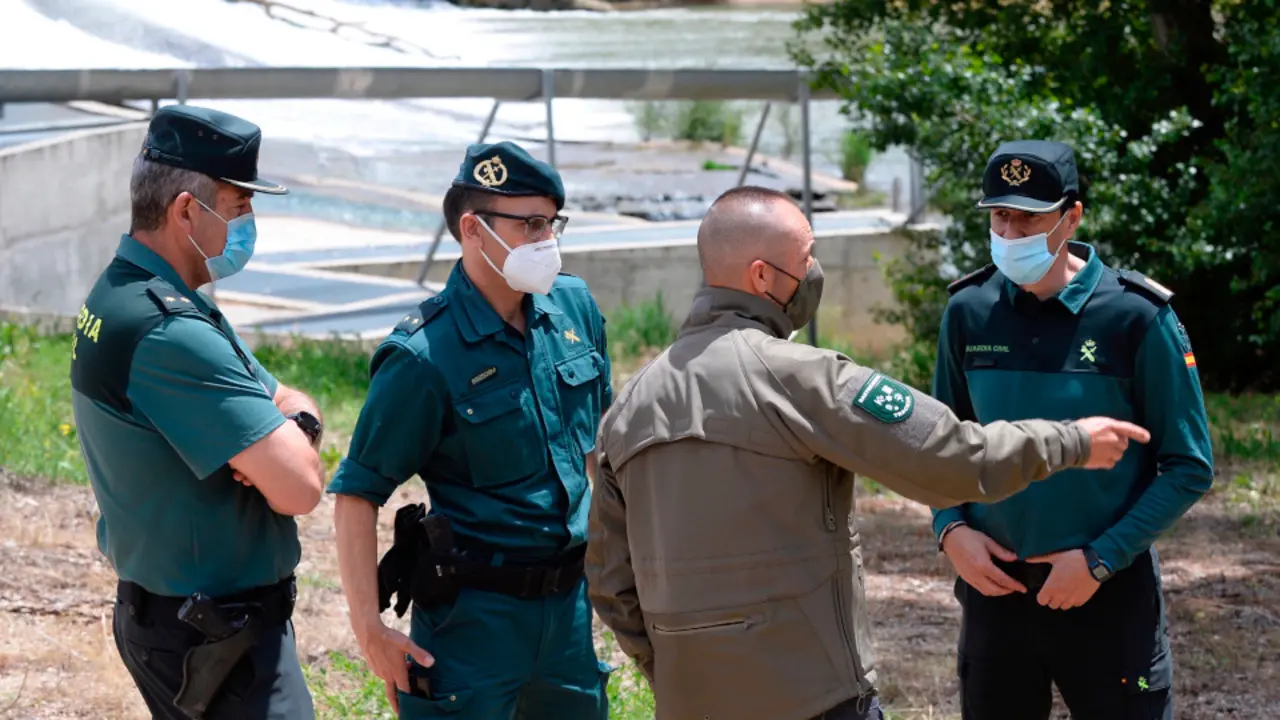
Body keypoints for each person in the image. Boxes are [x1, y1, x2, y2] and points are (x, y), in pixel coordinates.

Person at [584, 184, 1153, 720]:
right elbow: (953, 459)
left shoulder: (630, 406)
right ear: (762, 276)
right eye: (806, 258)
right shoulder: (801, 379)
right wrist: (1071, 441)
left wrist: (671, 668)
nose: (813, 271)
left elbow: (609, 580)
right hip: (816, 696)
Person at [928, 139, 1214, 720]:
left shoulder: (1136, 315)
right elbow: (939, 446)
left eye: (1029, 218)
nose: (1010, 233)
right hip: (995, 592)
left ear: (1072, 216)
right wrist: (949, 528)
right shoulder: (968, 311)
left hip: (1107, 593)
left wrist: (1100, 559)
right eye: (999, 216)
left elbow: (1188, 465)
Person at [329, 141, 615, 720]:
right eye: (530, 224)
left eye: (552, 223)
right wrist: (369, 629)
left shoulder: (573, 308)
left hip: (568, 611)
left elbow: (599, 448)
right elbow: (358, 493)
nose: (546, 240)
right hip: (473, 621)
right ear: (473, 229)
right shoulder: (423, 355)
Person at [69, 104, 326, 719]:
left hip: (190, 623)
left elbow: (286, 397)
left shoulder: (137, 293)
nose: (248, 225)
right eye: (239, 206)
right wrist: (286, 444)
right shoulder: (168, 329)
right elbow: (299, 488)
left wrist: (296, 426)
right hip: (213, 638)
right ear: (186, 210)